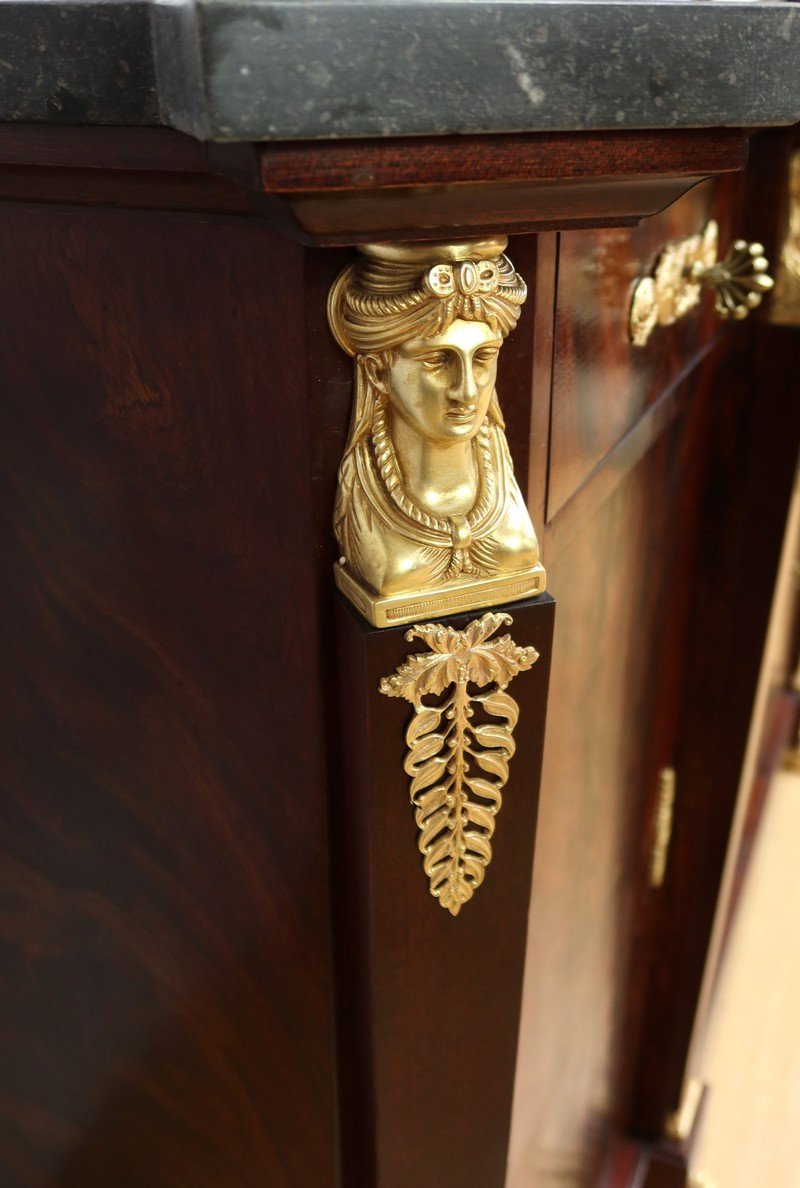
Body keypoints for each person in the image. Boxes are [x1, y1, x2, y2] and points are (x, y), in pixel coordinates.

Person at [328, 237, 545, 623]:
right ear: (378, 371)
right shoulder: (365, 491)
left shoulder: (497, 478)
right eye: (437, 360)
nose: (467, 391)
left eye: (483, 357)